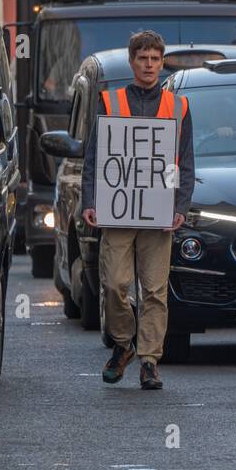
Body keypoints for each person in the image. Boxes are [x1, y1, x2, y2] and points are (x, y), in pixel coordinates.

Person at [82, 30, 195, 390]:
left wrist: (180, 205)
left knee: (155, 290)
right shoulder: (109, 101)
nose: (149, 65)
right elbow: (94, 156)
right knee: (114, 284)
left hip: (159, 211)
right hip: (117, 210)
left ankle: (149, 360)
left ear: (162, 64)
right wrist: (90, 201)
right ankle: (123, 343)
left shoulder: (178, 107)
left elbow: (185, 163)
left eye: (155, 59)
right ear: (132, 62)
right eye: (143, 59)